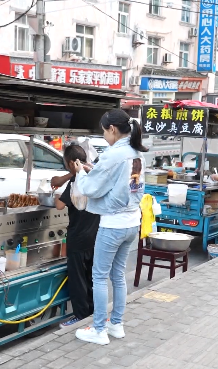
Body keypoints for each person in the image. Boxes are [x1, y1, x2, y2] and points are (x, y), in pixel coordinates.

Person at [71, 109, 147, 345]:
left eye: (104, 131)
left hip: (113, 224)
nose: (104, 136)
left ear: (112, 129)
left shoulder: (113, 154)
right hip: (132, 221)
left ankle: (99, 329)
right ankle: (116, 325)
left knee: (100, 276)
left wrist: (80, 174)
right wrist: (92, 172)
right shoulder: (136, 152)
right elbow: (122, 183)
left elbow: (92, 189)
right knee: (118, 274)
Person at [50, 144, 100, 328]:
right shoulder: (94, 176)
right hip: (94, 236)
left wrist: (56, 194)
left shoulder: (76, 182)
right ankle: (92, 311)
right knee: (90, 277)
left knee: (78, 279)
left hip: (78, 237)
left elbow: (59, 205)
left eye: (66, 164)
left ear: (72, 163)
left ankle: (80, 316)